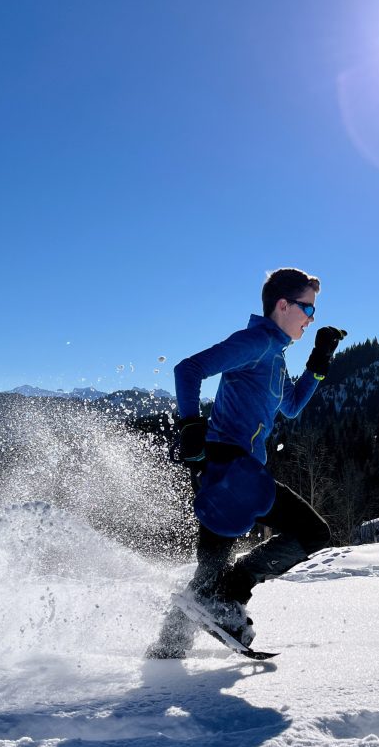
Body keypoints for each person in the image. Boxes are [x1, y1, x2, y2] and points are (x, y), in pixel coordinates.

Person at [147, 267, 346, 658]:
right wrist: (189, 423)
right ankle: (228, 596)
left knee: (207, 576)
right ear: (283, 305)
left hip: (239, 472)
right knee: (311, 532)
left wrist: (320, 359)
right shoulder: (256, 342)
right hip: (229, 467)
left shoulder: (275, 354)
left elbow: (289, 407)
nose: (311, 318)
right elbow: (188, 369)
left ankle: (165, 657)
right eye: (308, 308)